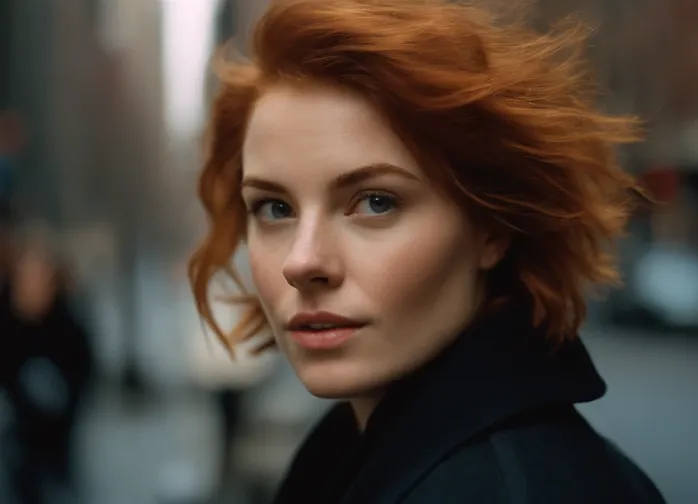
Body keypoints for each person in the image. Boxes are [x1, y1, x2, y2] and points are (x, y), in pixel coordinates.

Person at [188, 0, 666, 502]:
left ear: (490, 229)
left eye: (376, 202)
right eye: (275, 208)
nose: (302, 262)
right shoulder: (355, 450)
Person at [0, 237, 94, 503]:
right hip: (16, 439)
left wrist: (65, 403)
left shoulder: (68, 325)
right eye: (27, 278)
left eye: (40, 278)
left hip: (59, 436)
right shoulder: (6, 325)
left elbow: (84, 371)